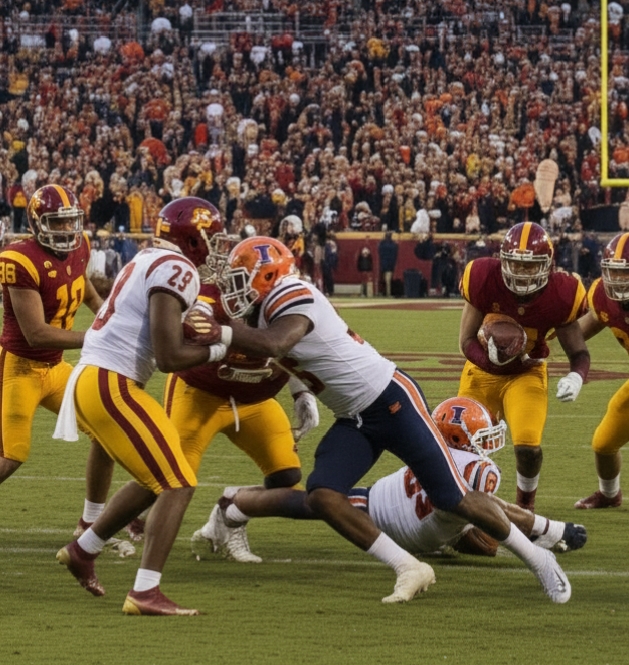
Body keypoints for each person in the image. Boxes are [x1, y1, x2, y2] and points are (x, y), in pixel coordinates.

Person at [208, 236, 573, 604]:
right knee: (323, 495)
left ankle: (538, 558)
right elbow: (291, 351)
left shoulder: (293, 293)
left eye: (239, 278)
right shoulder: (267, 309)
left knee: (453, 497)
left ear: (268, 276)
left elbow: (276, 344)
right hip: (355, 418)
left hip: (392, 400)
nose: (232, 288)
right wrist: (301, 393)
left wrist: (218, 330)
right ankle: (408, 566)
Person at [53, 196, 230, 616]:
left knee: (158, 478)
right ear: (193, 239)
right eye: (212, 238)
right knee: (178, 483)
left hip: (97, 379)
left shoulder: (147, 258)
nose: (216, 247)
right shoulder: (177, 268)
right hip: (110, 383)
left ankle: (83, 549)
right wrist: (217, 348)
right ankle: (144, 592)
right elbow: (169, 357)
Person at [196, 396, 587, 563]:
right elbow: (494, 510)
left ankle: (544, 532)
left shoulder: (442, 453)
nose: (486, 445)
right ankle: (235, 504)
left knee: (481, 540)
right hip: (384, 510)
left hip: (403, 510)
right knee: (310, 503)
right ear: (456, 438)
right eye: (480, 437)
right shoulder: (479, 470)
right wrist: (547, 528)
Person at [458, 222, 590, 511]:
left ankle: (525, 509)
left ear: (548, 265)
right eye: (515, 264)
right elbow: (466, 341)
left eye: (530, 266)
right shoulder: (482, 276)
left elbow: (579, 352)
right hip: (481, 373)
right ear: (502, 260)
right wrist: (491, 362)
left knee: (528, 448)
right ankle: (462, 510)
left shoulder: (562, 293)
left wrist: (576, 377)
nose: (521, 272)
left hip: (526, 372)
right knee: (462, 447)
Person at [0, 184, 113, 511]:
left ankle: (91, 521)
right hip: (19, 369)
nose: (66, 229)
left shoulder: (81, 247)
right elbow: (36, 334)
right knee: (11, 455)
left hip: (56, 368)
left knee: (107, 430)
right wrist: (94, 337)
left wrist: (107, 315)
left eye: (69, 220)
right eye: (57, 222)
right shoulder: (20, 259)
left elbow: (84, 287)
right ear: (37, 224)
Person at [574, 232, 629, 509]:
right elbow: (582, 330)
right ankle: (609, 494)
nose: (618, 280)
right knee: (603, 444)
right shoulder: (603, 296)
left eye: (625, 273)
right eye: (613, 272)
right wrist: (538, 343)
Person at [378, 231, 398, 298]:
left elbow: (379, 251)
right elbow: (395, 254)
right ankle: (388, 293)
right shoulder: (393, 244)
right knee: (388, 280)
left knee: (384, 279)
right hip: (390, 264)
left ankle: (382, 292)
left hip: (383, 263)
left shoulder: (382, 244)